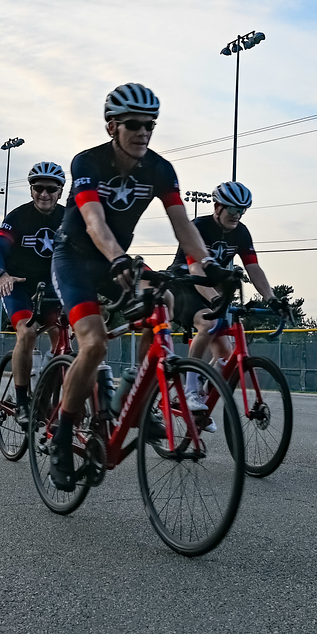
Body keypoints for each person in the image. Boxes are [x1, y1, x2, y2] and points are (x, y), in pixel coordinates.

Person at [48, 83, 212, 490]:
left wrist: (210, 267)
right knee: (94, 344)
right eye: (134, 125)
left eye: (150, 125)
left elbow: (183, 226)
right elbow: (93, 221)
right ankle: (62, 437)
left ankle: (132, 396)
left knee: (164, 299)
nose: (143, 133)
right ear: (112, 127)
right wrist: (118, 257)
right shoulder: (88, 161)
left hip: (117, 259)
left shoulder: (160, 169)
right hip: (76, 259)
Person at [169, 180, 286, 416]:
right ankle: (189, 391)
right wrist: (214, 299)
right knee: (208, 323)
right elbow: (195, 268)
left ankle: (202, 398)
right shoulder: (199, 227)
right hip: (184, 285)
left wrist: (272, 299)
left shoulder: (241, 232)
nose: (237, 215)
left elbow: (254, 269)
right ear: (217, 206)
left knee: (226, 354)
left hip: (210, 288)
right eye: (232, 209)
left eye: (242, 210)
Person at [0, 161, 67, 430]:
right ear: (31, 189)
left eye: (51, 189)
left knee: (65, 338)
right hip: (19, 287)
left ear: (60, 191)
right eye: (38, 188)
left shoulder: (69, 218)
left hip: (54, 289)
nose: (44, 194)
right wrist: (1, 274)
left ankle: (47, 394)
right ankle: (23, 402)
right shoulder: (17, 217)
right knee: (27, 333)